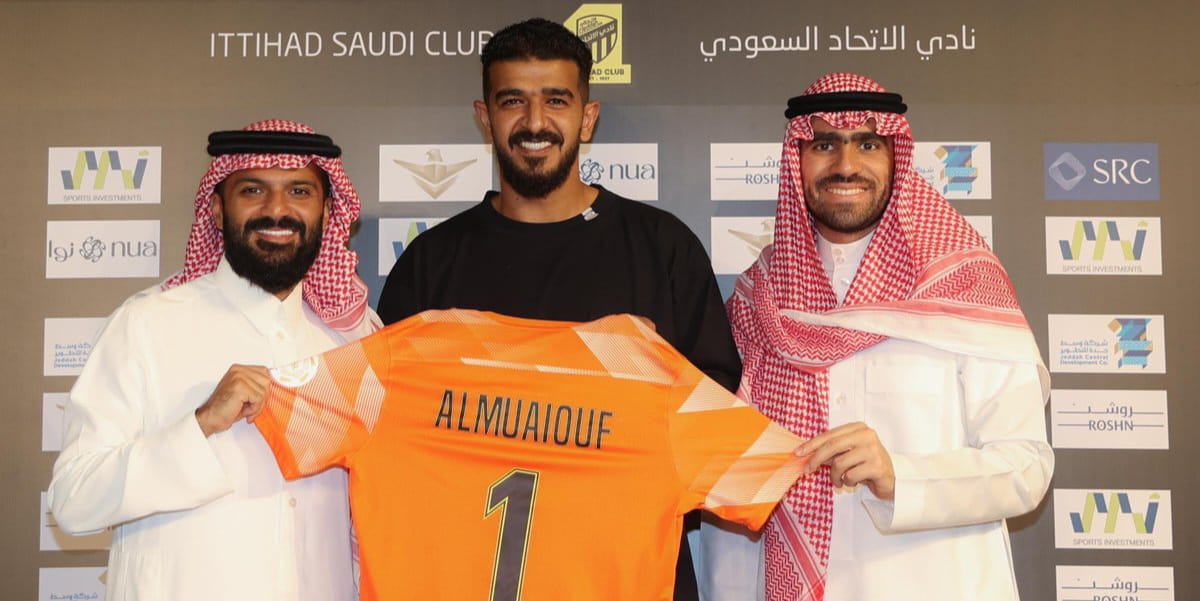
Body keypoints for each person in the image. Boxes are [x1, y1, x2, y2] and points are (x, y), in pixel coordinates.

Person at [376, 18, 740, 599]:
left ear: (587, 117)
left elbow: (712, 426)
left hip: (624, 577)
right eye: (513, 101)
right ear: (484, 116)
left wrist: (636, 377)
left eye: (556, 100)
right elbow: (389, 428)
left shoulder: (662, 248)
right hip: (464, 576)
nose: (534, 122)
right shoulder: (430, 262)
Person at [697, 73, 1054, 601]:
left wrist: (900, 477)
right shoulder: (760, 301)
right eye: (824, 145)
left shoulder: (964, 284)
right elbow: (733, 497)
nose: (845, 165)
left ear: (895, 157)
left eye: (867, 144)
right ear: (797, 159)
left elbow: (1026, 465)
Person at [49, 119, 379, 600]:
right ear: (218, 209)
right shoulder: (147, 325)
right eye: (252, 190)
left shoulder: (355, 342)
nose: (277, 210)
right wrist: (200, 424)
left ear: (329, 212)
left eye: (299, 191)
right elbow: (74, 500)